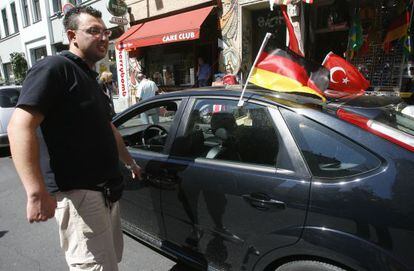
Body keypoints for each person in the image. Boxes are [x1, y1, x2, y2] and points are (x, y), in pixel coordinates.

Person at [7, 6, 141, 271]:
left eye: (106, 32)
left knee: (109, 263)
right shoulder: (55, 67)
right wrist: (35, 192)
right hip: (80, 195)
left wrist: (130, 163)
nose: (103, 37)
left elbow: (109, 130)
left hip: (106, 192)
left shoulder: (89, 77)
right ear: (72, 35)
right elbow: (18, 127)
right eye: (93, 31)